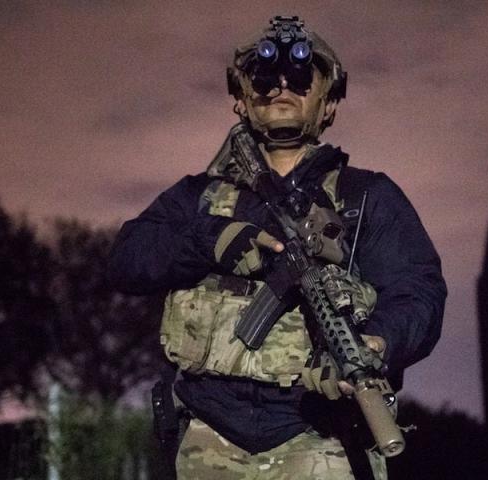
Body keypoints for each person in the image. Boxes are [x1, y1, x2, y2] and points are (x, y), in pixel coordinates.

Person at [107, 15, 446, 480]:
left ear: (327, 104)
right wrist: (208, 239)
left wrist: (376, 343)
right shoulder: (199, 197)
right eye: (265, 78)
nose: (282, 85)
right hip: (209, 438)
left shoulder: (365, 197)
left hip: (322, 439)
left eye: (303, 78)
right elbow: (126, 260)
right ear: (241, 101)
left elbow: (418, 292)